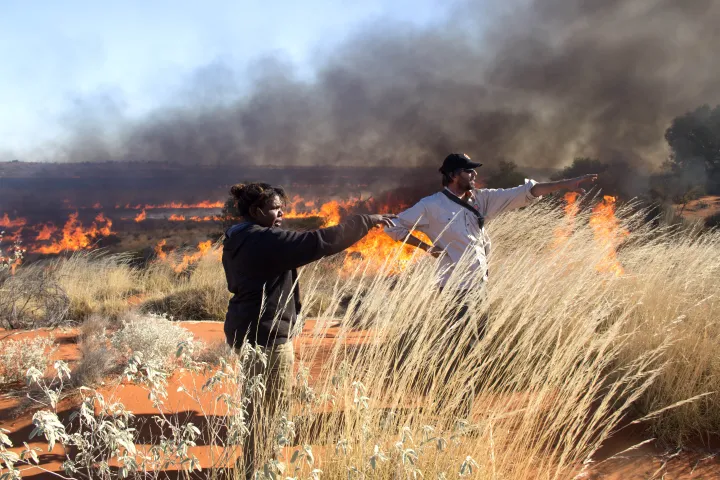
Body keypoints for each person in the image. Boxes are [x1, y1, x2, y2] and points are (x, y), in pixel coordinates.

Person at [385, 153, 597, 414]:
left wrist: (566, 183)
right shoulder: (431, 206)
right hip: (454, 289)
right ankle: (453, 411)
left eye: (473, 170)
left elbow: (525, 192)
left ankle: (455, 407)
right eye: (468, 170)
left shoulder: (480, 200)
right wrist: (427, 248)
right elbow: (394, 225)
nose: (474, 174)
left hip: (477, 288)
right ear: (453, 175)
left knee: (470, 346)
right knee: (459, 348)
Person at [221, 182, 395, 480]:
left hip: (247, 328)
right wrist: (365, 222)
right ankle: (260, 471)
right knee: (270, 411)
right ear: (256, 211)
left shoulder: (237, 238)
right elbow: (318, 242)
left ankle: (253, 466)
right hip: (267, 336)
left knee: (257, 405)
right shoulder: (262, 240)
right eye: (276, 208)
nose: (281, 214)